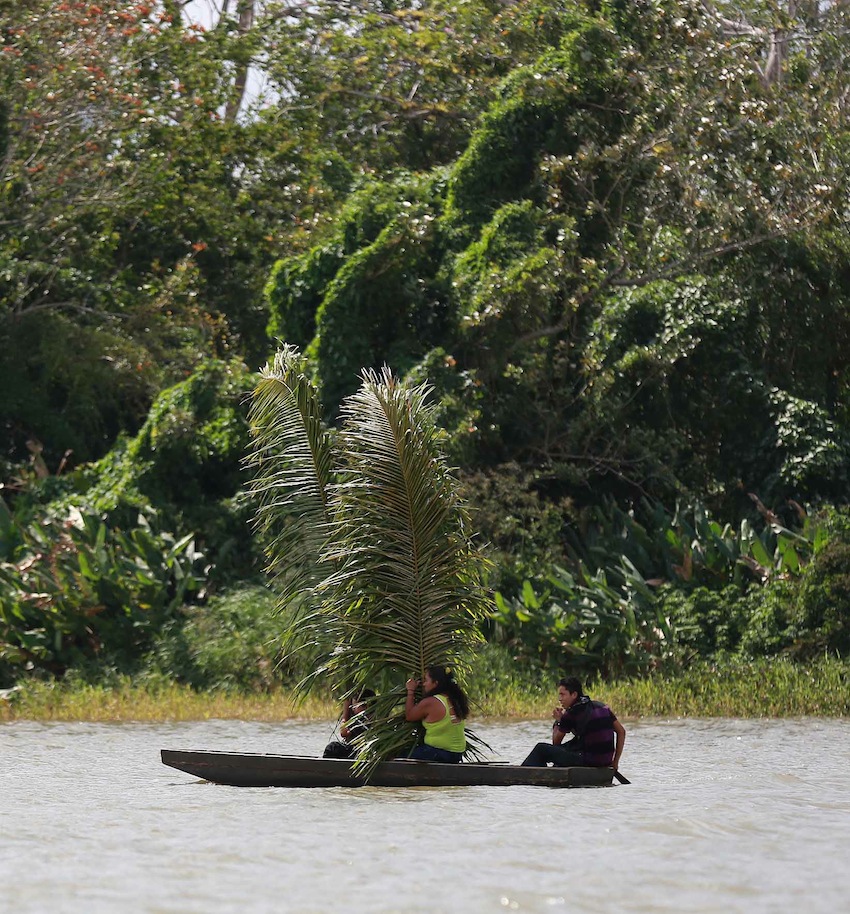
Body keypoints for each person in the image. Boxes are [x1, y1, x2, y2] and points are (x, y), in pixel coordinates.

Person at [521, 676, 625, 769]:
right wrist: (615, 762)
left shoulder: (571, 713)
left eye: (563, 695)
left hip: (588, 760)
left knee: (541, 749)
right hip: (605, 761)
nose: (560, 699)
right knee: (565, 750)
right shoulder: (602, 707)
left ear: (574, 694)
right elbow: (621, 732)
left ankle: (525, 775)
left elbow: (556, 743)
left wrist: (558, 721)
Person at [405, 665, 468, 763]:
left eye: (426, 680)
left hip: (437, 753)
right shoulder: (455, 699)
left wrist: (410, 690)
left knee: (396, 756)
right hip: (457, 754)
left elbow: (409, 716)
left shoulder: (432, 702)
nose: (424, 684)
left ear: (435, 683)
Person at [322, 689, 375, 759]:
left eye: (354, 706)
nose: (352, 709)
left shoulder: (364, 719)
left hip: (360, 752)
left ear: (365, 706)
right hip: (354, 750)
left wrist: (345, 713)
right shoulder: (371, 717)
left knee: (332, 747)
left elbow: (344, 733)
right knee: (333, 747)